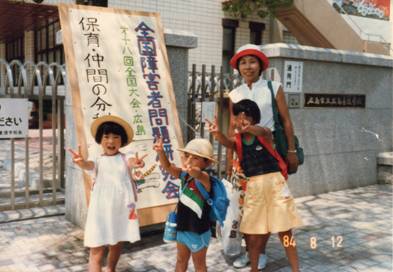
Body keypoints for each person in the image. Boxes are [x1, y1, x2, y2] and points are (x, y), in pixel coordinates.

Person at [207, 99, 302, 272]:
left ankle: (296, 269)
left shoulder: (264, 133)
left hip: (275, 185)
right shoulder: (237, 141)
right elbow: (227, 143)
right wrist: (217, 134)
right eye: (238, 115)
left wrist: (248, 127)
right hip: (253, 187)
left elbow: (261, 131)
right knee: (253, 234)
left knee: (285, 231)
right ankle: (254, 269)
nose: (242, 118)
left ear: (254, 117)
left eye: (247, 114)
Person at [227, 43, 300, 269]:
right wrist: (231, 160)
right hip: (245, 157)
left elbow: (286, 121)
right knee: (249, 210)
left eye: (252, 61)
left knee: (277, 211)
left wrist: (291, 150)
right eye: (243, 62)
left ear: (261, 65)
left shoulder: (273, 87)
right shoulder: (234, 93)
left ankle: (264, 253)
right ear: (238, 67)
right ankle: (253, 254)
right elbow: (232, 128)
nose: (248, 66)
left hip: (271, 155)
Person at [68, 115, 146, 272]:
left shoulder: (126, 157)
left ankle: (111, 269)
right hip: (100, 211)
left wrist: (138, 163)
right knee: (96, 248)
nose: (111, 141)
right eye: (106, 137)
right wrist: (80, 162)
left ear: (122, 140)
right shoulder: (97, 159)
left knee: (117, 243)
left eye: (116, 137)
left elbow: (133, 163)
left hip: (121, 209)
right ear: (100, 139)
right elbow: (88, 165)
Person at [153, 137, 216, 272]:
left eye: (195, 158)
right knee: (181, 261)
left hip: (198, 231)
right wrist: (161, 152)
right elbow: (168, 167)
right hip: (182, 227)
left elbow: (197, 173)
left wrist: (191, 169)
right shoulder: (184, 175)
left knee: (199, 265)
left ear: (207, 162)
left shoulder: (206, 177)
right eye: (187, 156)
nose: (188, 160)